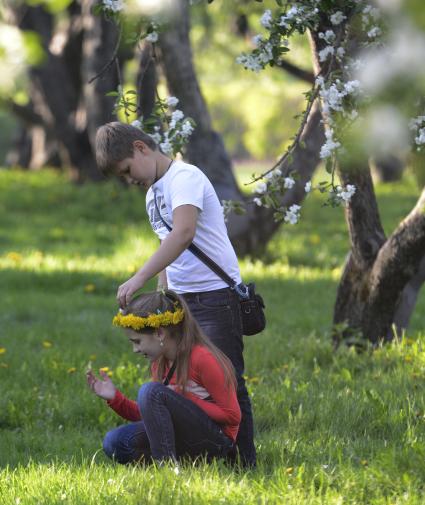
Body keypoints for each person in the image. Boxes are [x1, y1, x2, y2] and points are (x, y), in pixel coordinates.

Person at [95, 122, 256, 467]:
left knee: (227, 378)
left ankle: (243, 462)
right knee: (173, 381)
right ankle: (190, 452)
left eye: (127, 170)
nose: (129, 179)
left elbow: (183, 233)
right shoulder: (154, 193)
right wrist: (163, 294)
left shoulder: (185, 177)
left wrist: (139, 276)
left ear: (141, 148)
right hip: (182, 301)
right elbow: (167, 246)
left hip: (213, 296)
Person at [86, 290, 240, 465]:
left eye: (137, 341)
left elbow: (232, 416)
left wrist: (187, 398)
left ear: (159, 333)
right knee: (115, 441)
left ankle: (167, 468)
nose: (135, 350)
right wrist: (115, 398)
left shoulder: (202, 358)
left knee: (150, 391)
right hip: (182, 436)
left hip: (216, 442)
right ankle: (177, 463)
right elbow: (153, 415)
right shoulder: (159, 363)